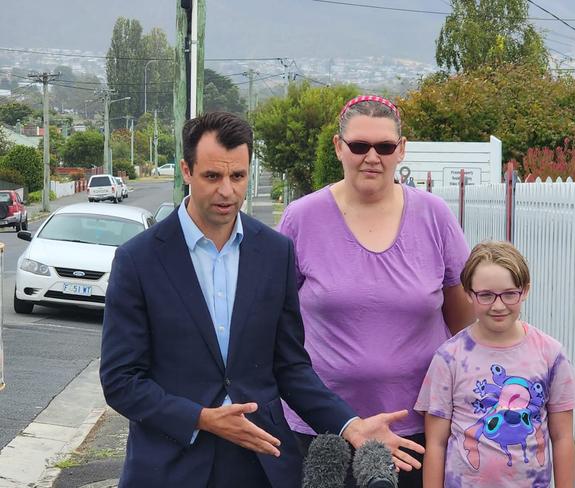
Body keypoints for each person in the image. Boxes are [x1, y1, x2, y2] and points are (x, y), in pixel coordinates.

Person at [100, 111, 424, 488]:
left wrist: (349, 425)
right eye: (212, 176)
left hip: (262, 467)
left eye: (237, 176)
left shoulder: (276, 252)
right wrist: (200, 418)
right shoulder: (138, 259)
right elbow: (121, 380)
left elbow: (291, 368)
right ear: (187, 171)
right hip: (169, 467)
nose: (227, 190)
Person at [277, 95, 475, 488]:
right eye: (359, 146)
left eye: (385, 146)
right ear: (338, 147)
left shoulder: (434, 216)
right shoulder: (301, 218)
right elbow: (279, 327)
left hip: (417, 431)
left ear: (401, 150)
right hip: (322, 430)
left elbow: (464, 325)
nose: (372, 157)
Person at [415, 241, 575, 488]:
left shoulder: (550, 354)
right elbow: (436, 443)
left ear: (525, 290)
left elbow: (561, 438)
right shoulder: (449, 357)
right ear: (468, 293)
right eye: (485, 295)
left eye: (509, 294)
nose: (498, 305)